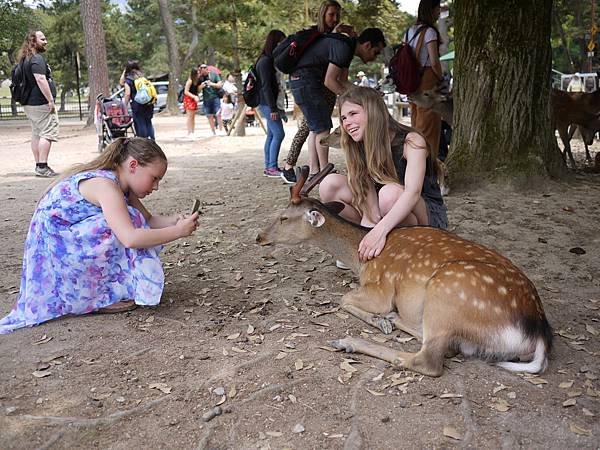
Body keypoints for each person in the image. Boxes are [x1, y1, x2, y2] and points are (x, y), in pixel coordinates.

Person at [0, 137, 199, 334]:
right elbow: (130, 237)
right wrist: (178, 232)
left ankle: (105, 291)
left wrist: (175, 221)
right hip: (55, 247)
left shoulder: (122, 186)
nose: (156, 186)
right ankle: (99, 297)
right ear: (133, 165)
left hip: (68, 240)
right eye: (154, 178)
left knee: (132, 218)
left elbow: (148, 220)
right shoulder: (106, 185)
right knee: (123, 223)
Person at [319, 87, 447, 265]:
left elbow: (413, 193)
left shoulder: (411, 141)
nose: (347, 122)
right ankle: (365, 241)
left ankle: (389, 242)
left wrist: (379, 230)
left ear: (372, 110)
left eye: (353, 114)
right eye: (343, 118)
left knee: (389, 194)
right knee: (330, 184)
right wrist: (370, 222)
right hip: (383, 207)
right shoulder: (358, 143)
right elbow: (364, 186)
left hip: (422, 215)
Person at [289, 27, 386, 181]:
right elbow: (330, 81)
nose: (375, 57)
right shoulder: (345, 47)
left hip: (300, 81)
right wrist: (354, 102)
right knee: (323, 127)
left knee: (316, 128)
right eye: (376, 52)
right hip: (306, 81)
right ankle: (324, 171)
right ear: (367, 45)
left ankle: (316, 171)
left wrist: (366, 93)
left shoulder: (347, 48)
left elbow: (343, 81)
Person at [281, 0, 355, 184]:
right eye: (331, 15)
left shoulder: (331, 37)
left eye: (337, 15)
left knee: (314, 128)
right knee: (317, 128)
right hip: (313, 86)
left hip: (320, 88)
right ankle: (308, 167)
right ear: (322, 14)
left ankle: (315, 169)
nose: (335, 18)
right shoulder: (317, 36)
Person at [17, 30, 59, 178]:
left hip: (29, 103)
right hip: (40, 102)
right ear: (33, 41)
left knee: (36, 133)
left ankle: (38, 165)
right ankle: (43, 166)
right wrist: (50, 100)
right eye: (42, 39)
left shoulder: (24, 59)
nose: (45, 41)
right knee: (47, 132)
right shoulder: (37, 59)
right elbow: (41, 79)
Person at [407, 0, 443, 158]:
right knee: (429, 129)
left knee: (416, 125)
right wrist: (442, 78)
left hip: (412, 82)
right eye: (438, 9)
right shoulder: (430, 32)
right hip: (427, 81)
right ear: (431, 10)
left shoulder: (409, 31)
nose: (439, 13)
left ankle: (414, 162)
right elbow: (434, 62)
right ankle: (429, 166)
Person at [257, 30, 288, 178]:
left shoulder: (269, 60)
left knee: (271, 134)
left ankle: (269, 166)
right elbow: (266, 87)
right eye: (281, 43)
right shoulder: (265, 61)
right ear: (275, 42)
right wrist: (273, 108)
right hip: (267, 103)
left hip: (268, 103)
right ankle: (272, 167)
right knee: (278, 133)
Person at [122, 61, 155, 139]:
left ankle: (142, 140)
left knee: (140, 123)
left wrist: (124, 105)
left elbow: (127, 93)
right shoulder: (142, 76)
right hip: (148, 103)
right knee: (148, 122)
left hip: (137, 105)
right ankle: (152, 140)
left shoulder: (129, 80)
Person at [198, 64, 224, 135]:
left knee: (218, 114)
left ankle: (221, 130)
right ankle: (213, 131)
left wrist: (212, 84)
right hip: (206, 99)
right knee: (209, 115)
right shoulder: (200, 77)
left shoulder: (214, 75)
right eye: (201, 70)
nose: (203, 72)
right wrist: (201, 86)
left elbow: (219, 85)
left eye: (204, 70)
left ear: (207, 69)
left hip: (215, 97)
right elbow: (197, 90)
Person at [183, 68, 201, 139]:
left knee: (193, 117)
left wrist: (201, 87)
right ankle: (189, 132)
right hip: (189, 99)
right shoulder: (190, 81)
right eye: (198, 73)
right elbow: (186, 91)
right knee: (189, 116)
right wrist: (194, 97)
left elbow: (197, 91)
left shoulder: (197, 81)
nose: (199, 74)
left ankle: (192, 132)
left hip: (194, 99)